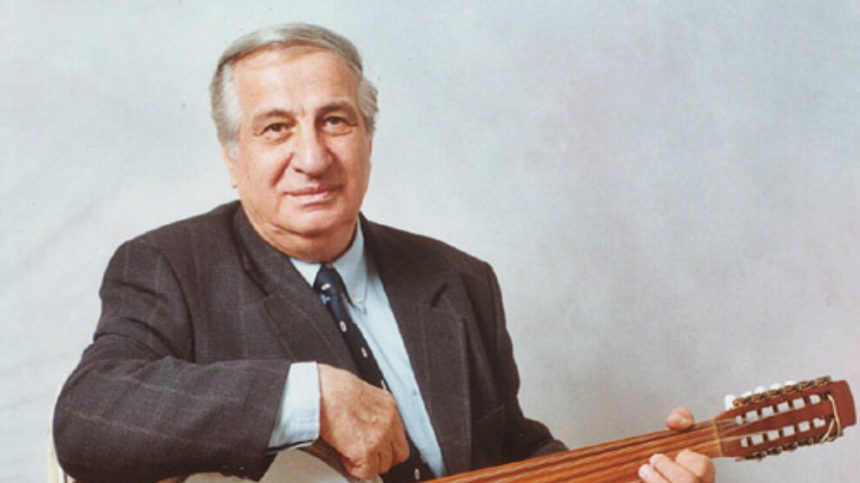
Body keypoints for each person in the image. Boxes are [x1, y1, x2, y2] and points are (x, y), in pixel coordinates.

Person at [52, 24, 715, 483]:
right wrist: (309, 395)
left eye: (334, 120)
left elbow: (509, 454)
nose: (312, 157)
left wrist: (629, 474)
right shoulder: (171, 267)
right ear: (232, 156)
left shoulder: (460, 279)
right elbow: (87, 417)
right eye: (276, 128)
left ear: (368, 136)